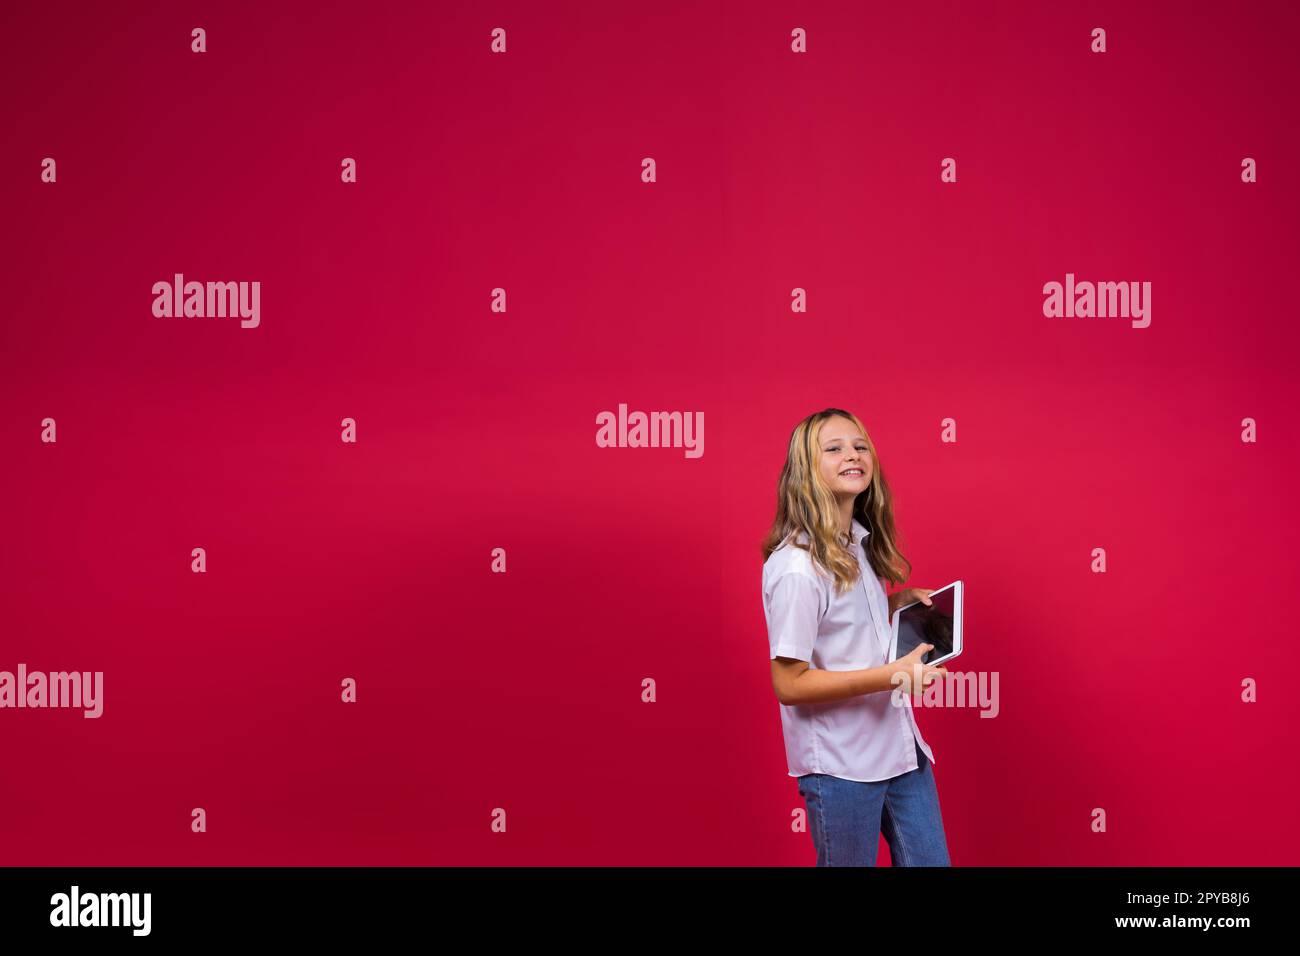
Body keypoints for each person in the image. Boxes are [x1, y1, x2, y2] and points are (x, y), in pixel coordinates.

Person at [760, 407, 952, 866]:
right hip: (841, 767)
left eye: (860, 445)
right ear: (807, 468)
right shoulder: (797, 567)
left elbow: (839, 621)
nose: (853, 454)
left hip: (900, 750)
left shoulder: (853, 543)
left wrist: (895, 604)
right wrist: (892, 676)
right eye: (835, 448)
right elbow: (789, 684)